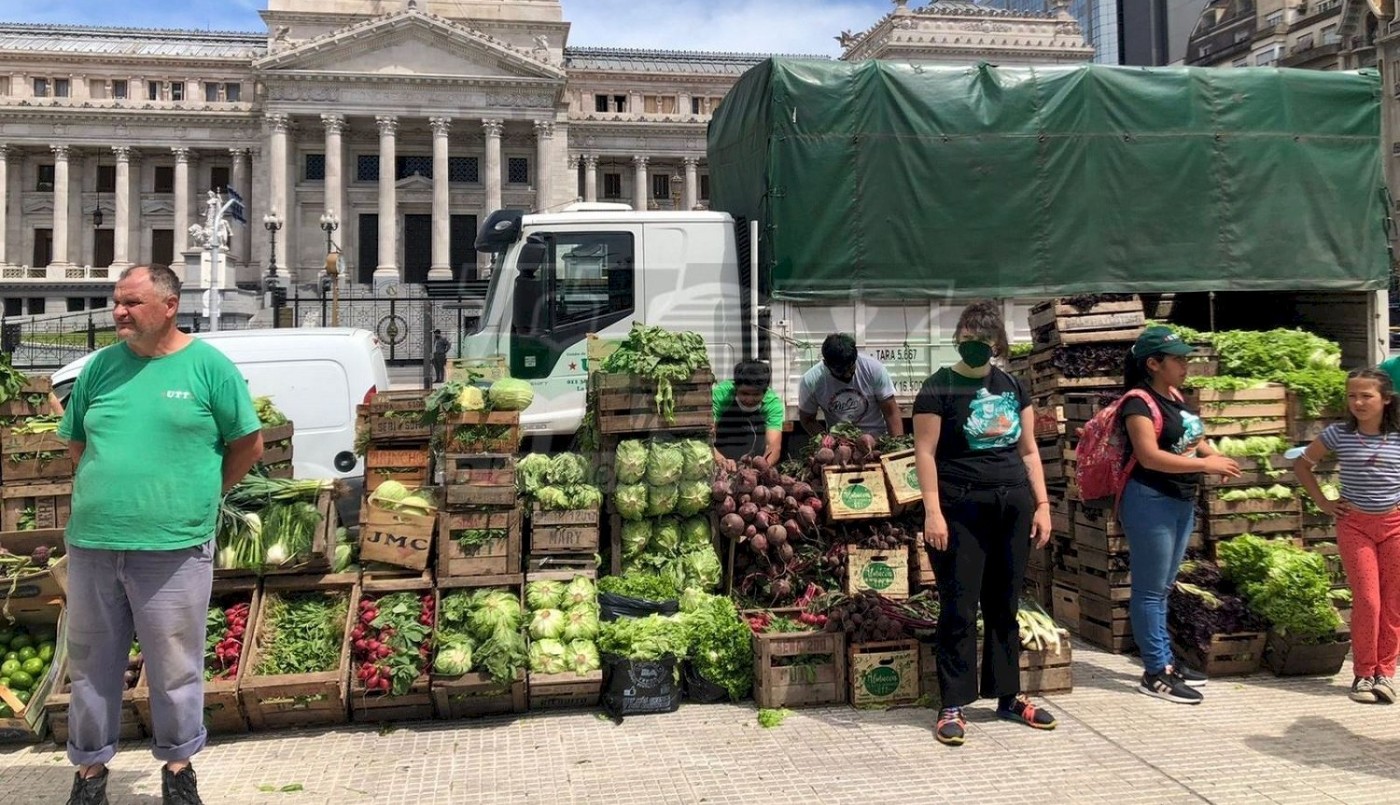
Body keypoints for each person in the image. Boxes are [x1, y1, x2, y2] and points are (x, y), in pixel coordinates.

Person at [59, 265, 265, 805]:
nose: (119, 312)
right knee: (90, 665)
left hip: (174, 547)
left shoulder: (209, 368)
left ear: (170, 305)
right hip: (93, 544)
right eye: (116, 302)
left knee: (174, 666)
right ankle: (89, 774)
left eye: (132, 302)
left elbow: (248, 445)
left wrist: (200, 497)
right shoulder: (100, 368)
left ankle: (178, 769)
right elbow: (78, 442)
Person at [913, 301, 1055, 747]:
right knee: (958, 606)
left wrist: (1043, 504)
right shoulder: (939, 387)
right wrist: (932, 511)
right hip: (960, 510)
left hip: (1012, 506)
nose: (978, 348)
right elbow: (925, 453)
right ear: (960, 340)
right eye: (970, 340)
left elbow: (1029, 449)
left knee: (1004, 605)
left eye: (987, 342)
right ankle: (953, 703)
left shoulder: (1013, 385)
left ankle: (1008, 696)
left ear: (998, 345)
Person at [1116, 326, 1240, 705]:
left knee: (1165, 587)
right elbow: (1150, 455)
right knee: (1150, 591)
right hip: (1149, 500)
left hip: (1180, 501)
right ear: (1153, 364)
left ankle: (1166, 661)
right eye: (1179, 359)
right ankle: (1155, 672)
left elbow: (1192, 438)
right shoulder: (1136, 402)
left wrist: (1211, 455)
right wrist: (1205, 466)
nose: (1186, 365)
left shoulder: (1173, 395)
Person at [1294, 368, 1400, 705]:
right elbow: (1302, 466)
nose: (1358, 402)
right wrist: (1324, 502)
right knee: (1368, 601)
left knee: (1393, 603)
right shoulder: (1338, 434)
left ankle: (1386, 673)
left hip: (1395, 525)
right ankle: (1363, 674)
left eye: (1366, 395)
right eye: (1352, 395)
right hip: (1355, 525)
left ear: (1385, 399)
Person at [798, 333, 903, 437]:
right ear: (826, 364)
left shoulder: (873, 369)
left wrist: (897, 445)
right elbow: (807, 420)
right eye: (841, 371)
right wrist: (827, 441)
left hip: (876, 438)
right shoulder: (811, 381)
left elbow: (891, 412)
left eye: (850, 368)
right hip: (841, 442)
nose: (847, 374)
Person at [712, 359, 784, 470]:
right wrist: (720, 460)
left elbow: (773, 446)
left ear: (765, 392)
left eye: (756, 394)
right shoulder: (721, 394)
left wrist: (761, 469)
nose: (750, 400)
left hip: (753, 465)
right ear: (736, 388)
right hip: (720, 460)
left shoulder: (772, 403)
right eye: (744, 393)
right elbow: (706, 436)